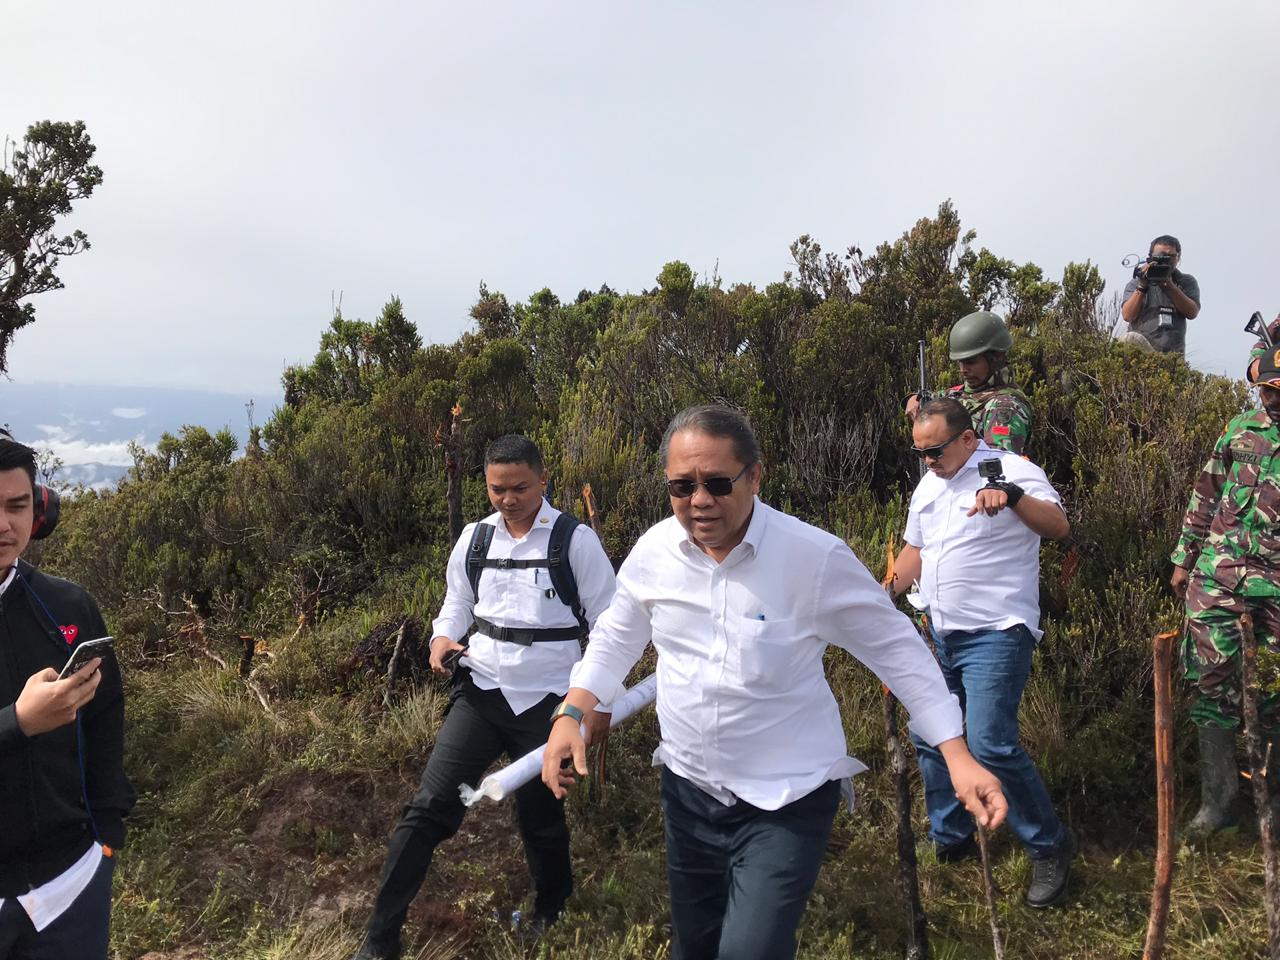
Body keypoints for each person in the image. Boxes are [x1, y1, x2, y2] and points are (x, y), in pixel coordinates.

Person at [541, 404, 1007, 960]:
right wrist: (574, 709)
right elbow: (617, 635)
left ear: (755, 476)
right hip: (689, 791)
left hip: (785, 799)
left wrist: (956, 754)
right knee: (697, 947)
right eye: (681, 486)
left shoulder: (812, 558)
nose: (699, 501)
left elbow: (900, 653)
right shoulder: (655, 551)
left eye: (717, 482)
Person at [351, 435, 616, 960]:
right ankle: (380, 939)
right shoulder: (475, 539)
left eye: (519, 487)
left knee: (540, 817)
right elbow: (457, 602)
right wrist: (442, 639)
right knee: (427, 809)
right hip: (482, 691)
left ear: (542, 479)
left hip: (548, 704)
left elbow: (609, 623)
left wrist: (592, 704)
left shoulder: (574, 541)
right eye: (497, 489)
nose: (508, 499)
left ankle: (551, 911)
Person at [891, 397, 1075, 908]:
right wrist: (882, 595)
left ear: (968, 439)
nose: (928, 460)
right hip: (938, 632)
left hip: (996, 632)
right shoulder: (929, 485)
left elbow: (1058, 526)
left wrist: (1012, 497)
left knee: (991, 743)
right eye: (920, 452)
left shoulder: (1011, 471)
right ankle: (952, 837)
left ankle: (1049, 845)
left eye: (936, 450)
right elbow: (914, 550)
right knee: (932, 733)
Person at [0, 433, 135, 959]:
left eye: (17, 506)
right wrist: (20, 722)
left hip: (70, 886)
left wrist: (108, 833)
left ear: (39, 511)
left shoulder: (67, 606)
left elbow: (106, 715)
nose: (4, 526)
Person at [1170, 347, 1280, 836]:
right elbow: (1206, 491)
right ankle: (1217, 805)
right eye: (1266, 388)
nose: (1270, 399)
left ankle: (1270, 806)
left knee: (1277, 694)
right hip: (1220, 573)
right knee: (1211, 683)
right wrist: (1184, 555)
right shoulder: (1239, 429)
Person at [906, 310, 1033, 455]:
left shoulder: (1006, 406)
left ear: (996, 357)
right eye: (961, 362)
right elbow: (932, 398)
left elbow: (997, 461)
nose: (963, 370)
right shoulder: (963, 392)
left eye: (971, 362)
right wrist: (914, 399)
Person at [1118, 234, 1201, 355]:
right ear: (1150, 258)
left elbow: (1192, 312)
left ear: (1178, 258)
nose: (1165, 260)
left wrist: (1169, 285)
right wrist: (1142, 285)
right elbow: (1127, 315)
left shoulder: (1185, 281)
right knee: (1128, 339)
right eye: (1160, 256)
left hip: (1172, 357)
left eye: (1171, 256)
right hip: (1142, 352)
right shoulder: (1138, 281)